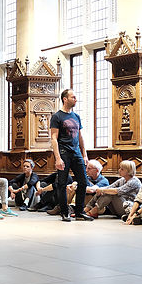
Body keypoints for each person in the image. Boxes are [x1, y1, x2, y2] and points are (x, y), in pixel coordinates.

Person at [50, 89, 88, 222]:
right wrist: (58, 158)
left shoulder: (76, 116)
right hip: (63, 153)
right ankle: (64, 212)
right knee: (62, 183)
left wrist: (84, 154)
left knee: (83, 182)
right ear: (65, 99)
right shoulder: (57, 117)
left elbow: (80, 137)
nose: (75, 99)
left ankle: (79, 212)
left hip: (76, 153)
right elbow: (54, 138)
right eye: (73, 97)